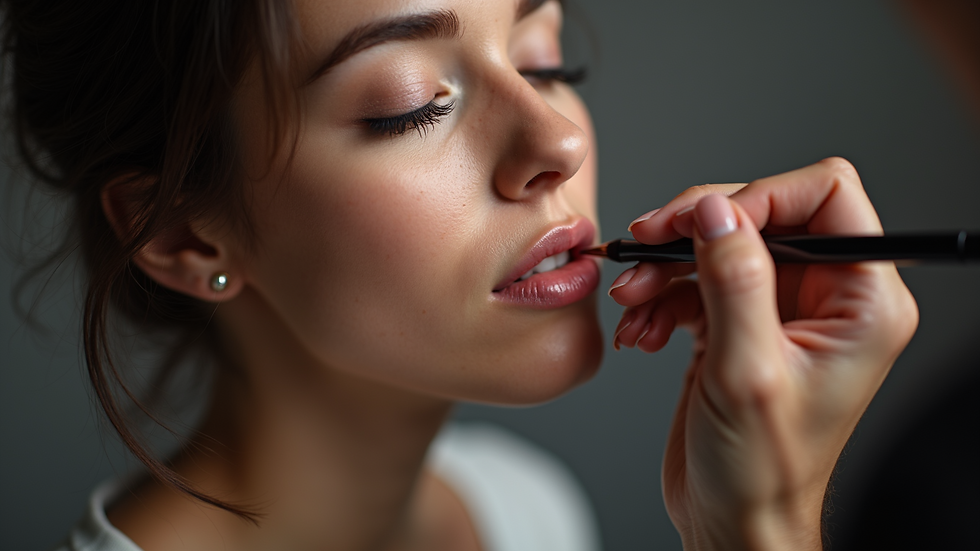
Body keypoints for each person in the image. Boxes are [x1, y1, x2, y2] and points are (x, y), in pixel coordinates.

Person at [0, 0, 919, 550]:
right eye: (410, 106)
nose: (558, 140)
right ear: (184, 234)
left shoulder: (524, 510)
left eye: (543, 59)